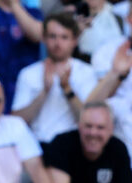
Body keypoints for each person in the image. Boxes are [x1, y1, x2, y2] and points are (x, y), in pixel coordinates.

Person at [12, 14, 94, 147]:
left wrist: (67, 89)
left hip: (73, 146)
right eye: (52, 36)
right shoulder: (28, 73)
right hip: (36, 145)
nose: (58, 43)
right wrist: (44, 91)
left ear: (75, 40)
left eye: (64, 37)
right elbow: (17, 121)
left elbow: (90, 120)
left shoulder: (87, 72)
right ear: (43, 38)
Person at [44, 102, 132, 183]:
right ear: (79, 126)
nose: (93, 133)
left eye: (100, 127)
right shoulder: (62, 143)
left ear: (111, 130)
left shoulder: (118, 148)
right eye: (88, 126)